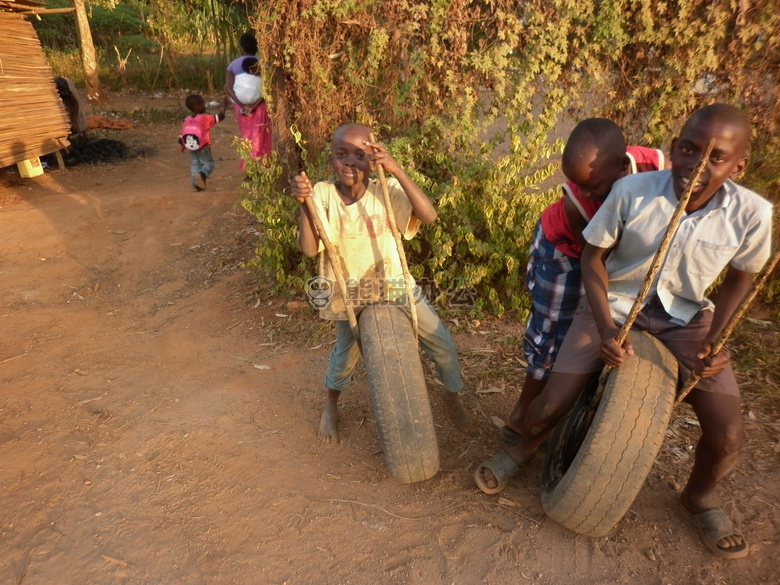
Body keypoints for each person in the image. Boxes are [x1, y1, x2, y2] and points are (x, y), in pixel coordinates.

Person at [476, 104, 773, 560]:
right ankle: (524, 449)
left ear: (738, 166)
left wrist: (717, 341)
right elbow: (592, 259)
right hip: (611, 304)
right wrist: (606, 324)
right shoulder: (632, 191)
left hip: (687, 317)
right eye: (689, 150)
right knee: (551, 404)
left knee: (729, 433)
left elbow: (740, 279)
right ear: (674, 149)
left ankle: (698, 500)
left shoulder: (752, 213)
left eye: (715, 158)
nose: (697, 164)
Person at [291, 123, 474, 443]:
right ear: (331, 158)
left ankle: (452, 394)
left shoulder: (386, 190)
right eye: (341, 154)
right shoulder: (322, 193)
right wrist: (304, 205)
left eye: (360, 155)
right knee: (344, 358)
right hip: (350, 292)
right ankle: (331, 405)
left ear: (373, 158)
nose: (350, 162)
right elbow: (309, 249)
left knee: (441, 343)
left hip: (395, 283)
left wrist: (395, 169)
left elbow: (428, 216)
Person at [499, 119, 667, 448]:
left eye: (593, 186)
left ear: (622, 165)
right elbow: (593, 261)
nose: (585, 192)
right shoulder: (577, 201)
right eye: (578, 185)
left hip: (611, 255)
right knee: (553, 332)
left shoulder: (657, 168)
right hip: (565, 251)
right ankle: (522, 414)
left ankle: (563, 411)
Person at [225, 32, 271, 169]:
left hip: (241, 108)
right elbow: (267, 89)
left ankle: (250, 166)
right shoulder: (263, 65)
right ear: (257, 47)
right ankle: (263, 165)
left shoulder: (233, 65)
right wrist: (255, 105)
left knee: (247, 135)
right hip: (261, 106)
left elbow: (228, 88)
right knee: (261, 134)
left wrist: (243, 105)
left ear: (242, 48)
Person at [179, 94, 228, 192]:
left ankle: (197, 185)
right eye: (203, 104)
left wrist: (183, 144)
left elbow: (182, 133)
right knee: (208, 164)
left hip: (191, 146)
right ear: (197, 106)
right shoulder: (204, 118)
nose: (205, 106)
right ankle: (202, 175)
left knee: (195, 164)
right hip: (203, 146)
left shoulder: (188, 119)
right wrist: (224, 105)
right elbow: (219, 117)